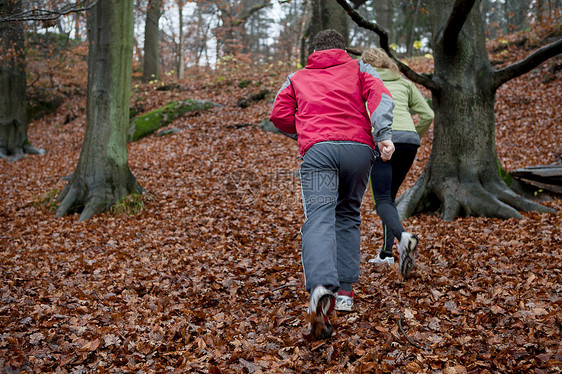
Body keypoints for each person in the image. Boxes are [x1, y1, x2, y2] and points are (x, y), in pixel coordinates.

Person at [269, 30, 395, 340]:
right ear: (341, 49)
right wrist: (384, 135)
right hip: (357, 151)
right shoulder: (359, 67)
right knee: (349, 214)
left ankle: (322, 287)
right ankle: (345, 293)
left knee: (320, 218)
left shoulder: (296, 77)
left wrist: (307, 135)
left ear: (313, 52)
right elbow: (380, 95)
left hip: (320, 152)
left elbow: (279, 115)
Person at [361, 48, 434, 279]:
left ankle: (404, 238)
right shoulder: (404, 83)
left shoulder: (365, 81)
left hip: (381, 140)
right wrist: (413, 136)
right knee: (388, 200)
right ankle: (386, 253)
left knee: (381, 200)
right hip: (409, 142)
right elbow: (428, 115)